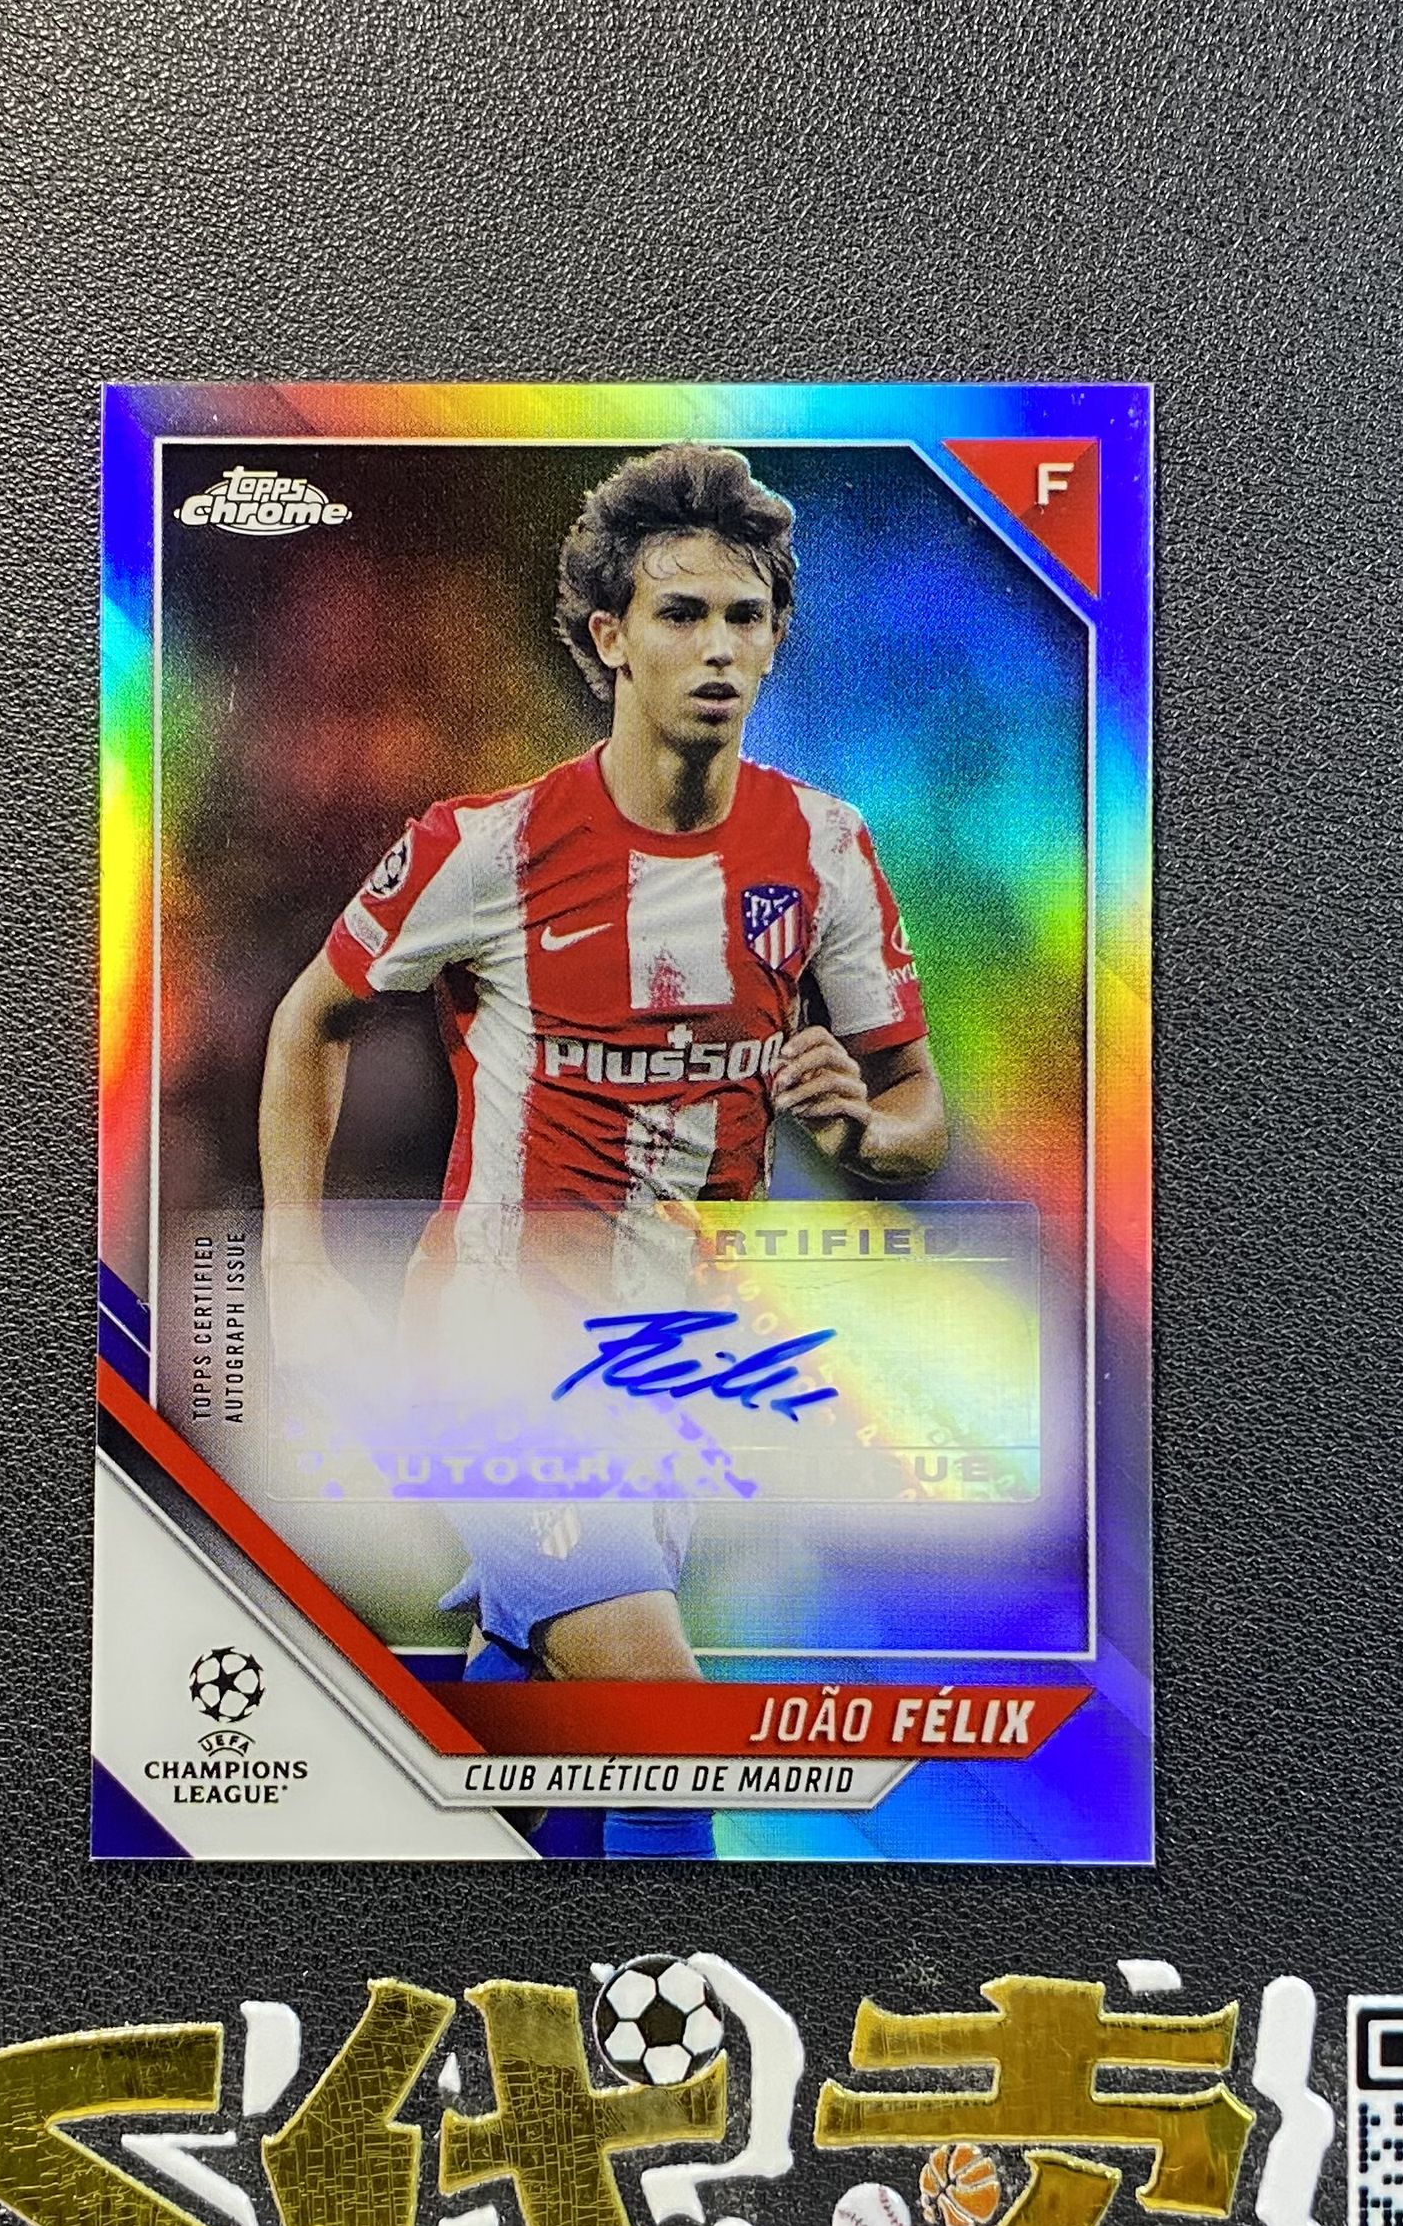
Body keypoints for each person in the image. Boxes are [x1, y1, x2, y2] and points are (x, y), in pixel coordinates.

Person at [258, 445, 946, 1841]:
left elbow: (916, 1112)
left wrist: (861, 1132)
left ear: (777, 640)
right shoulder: (488, 848)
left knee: (549, 1773)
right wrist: (294, 1262)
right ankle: (692, 1992)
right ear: (609, 637)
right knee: (672, 1737)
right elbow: (309, 1020)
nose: (718, 647)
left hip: (678, 1369)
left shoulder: (824, 851)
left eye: (746, 616)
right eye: (681, 613)